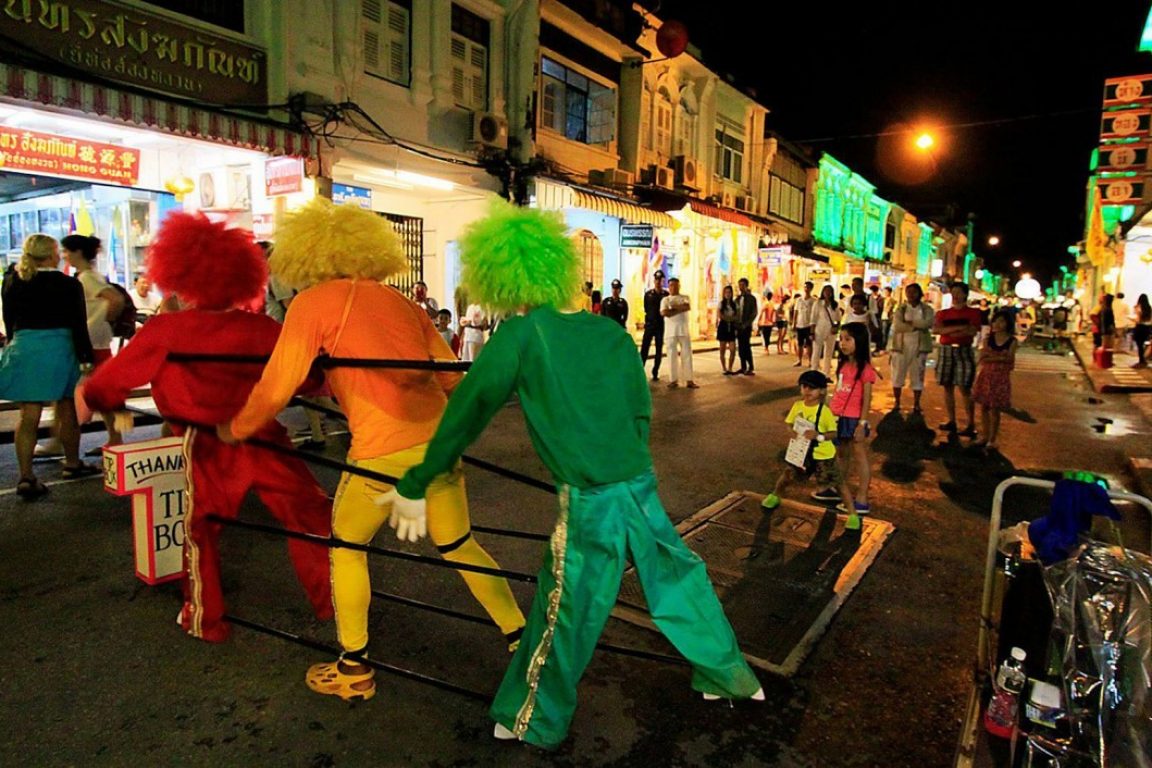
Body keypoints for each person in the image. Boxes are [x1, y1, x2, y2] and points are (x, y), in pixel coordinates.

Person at [391, 201, 763, 750]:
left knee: (565, 608)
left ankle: (531, 718)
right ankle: (729, 676)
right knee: (676, 576)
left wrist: (417, 481)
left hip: (590, 497)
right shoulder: (610, 333)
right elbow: (640, 410)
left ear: (503, 279)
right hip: (638, 482)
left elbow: (465, 414)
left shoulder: (520, 336)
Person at [220, 198, 524, 700]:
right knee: (459, 546)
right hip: (439, 446)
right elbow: (451, 379)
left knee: (346, 548)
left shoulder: (313, 303)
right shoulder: (400, 301)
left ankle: (353, 667)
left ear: (307, 257)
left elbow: (277, 385)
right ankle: (519, 635)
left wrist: (236, 428)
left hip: (381, 452)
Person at [82, 213, 334, 643]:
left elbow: (107, 384)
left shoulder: (165, 330)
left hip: (203, 441)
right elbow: (309, 380)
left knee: (200, 532)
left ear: (179, 277)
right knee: (311, 517)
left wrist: (99, 400)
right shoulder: (262, 329)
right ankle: (335, 606)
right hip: (263, 435)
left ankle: (205, 618)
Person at [0, 234, 98, 497]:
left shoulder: (11, 282)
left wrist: (15, 342)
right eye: (57, 250)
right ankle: (72, 463)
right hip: (59, 348)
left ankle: (26, 476)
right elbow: (78, 325)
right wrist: (86, 357)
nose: (60, 255)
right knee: (66, 408)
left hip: (24, 347)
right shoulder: (68, 284)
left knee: (28, 414)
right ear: (50, 254)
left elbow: (9, 321)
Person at [761, 370, 857, 526]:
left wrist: (818, 436)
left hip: (822, 454)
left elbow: (833, 433)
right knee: (787, 475)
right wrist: (791, 432)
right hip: (801, 452)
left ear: (822, 391)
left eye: (811, 388)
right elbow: (789, 424)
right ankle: (775, 495)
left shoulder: (824, 411)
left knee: (837, 483)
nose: (806, 391)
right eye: (804, 386)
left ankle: (853, 514)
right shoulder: (797, 406)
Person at [61, 234, 124, 453]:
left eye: (67, 251)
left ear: (78, 252)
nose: (64, 255)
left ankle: (60, 439)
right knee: (99, 391)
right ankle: (114, 438)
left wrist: (104, 320)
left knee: (71, 391)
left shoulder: (87, 277)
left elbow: (115, 299)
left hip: (91, 341)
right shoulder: (88, 276)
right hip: (95, 339)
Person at [828, 322, 876, 516]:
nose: (843, 343)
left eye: (848, 339)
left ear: (860, 341)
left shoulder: (865, 369)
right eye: (841, 339)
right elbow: (839, 391)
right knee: (841, 454)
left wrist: (862, 423)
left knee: (859, 455)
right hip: (838, 416)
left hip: (854, 418)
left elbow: (867, 399)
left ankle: (862, 498)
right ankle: (838, 489)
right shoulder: (843, 365)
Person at [933, 281, 982, 438]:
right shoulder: (943, 313)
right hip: (946, 350)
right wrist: (959, 329)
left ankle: (970, 423)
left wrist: (948, 331)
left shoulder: (973, 313)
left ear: (965, 294)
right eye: (953, 292)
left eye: (959, 292)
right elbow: (937, 329)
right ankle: (951, 420)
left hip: (964, 350)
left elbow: (972, 332)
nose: (955, 295)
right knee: (947, 385)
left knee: (964, 387)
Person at [971, 309, 1017, 452]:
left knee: (995, 408)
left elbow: (1009, 359)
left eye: (1001, 321)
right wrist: (999, 357)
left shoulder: (1011, 340)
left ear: (1008, 323)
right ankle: (984, 436)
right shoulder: (988, 339)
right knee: (984, 407)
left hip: (1000, 378)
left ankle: (992, 439)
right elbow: (983, 356)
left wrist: (992, 357)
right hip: (986, 375)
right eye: (996, 321)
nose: (997, 324)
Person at [889, 283, 935, 414]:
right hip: (901, 347)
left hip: (919, 347)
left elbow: (928, 323)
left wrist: (910, 324)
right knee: (897, 375)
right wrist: (917, 326)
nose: (911, 295)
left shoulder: (927, 309)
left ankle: (916, 403)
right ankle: (897, 402)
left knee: (918, 376)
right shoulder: (901, 309)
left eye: (914, 292)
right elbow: (898, 326)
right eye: (908, 292)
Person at [662, 277, 697, 388]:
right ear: (669, 287)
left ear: (679, 286)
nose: (673, 287)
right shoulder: (665, 300)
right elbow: (664, 312)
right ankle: (673, 380)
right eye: (671, 285)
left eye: (675, 285)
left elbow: (687, 306)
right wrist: (679, 309)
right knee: (671, 356)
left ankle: (689, 380)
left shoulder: (685, 297)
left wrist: (672, 308)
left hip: (683, 330)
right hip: (670, 331)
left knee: (687, 355)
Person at [640, 270, 668, 380]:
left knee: (658, 349)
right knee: (644, 348)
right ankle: (641, 370)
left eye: (660, 280)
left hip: (660, 326)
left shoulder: (666, 295)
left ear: (662, 281)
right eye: (656, 280)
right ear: (654, 280)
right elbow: (646, 308)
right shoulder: (648, 294)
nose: (658, 282)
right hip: (650, 325)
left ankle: (655, 371)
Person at [811, 284, 841, 376]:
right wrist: (812, 332)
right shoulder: (818, 303)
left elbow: (838, 318)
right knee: (816, 351)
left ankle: (826, 373)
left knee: (828, 352)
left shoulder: (835, 304)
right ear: (823, 292)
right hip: (819, 329)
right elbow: (813, 318)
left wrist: (836, 327)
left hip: (831, 331)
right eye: (826, 291)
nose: (827, 293)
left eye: (829, 291)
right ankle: (814, 371)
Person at [735, 277, 758, 375]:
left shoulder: (751, 298)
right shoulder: (738, 298)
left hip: (746, 326)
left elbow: (754, 312)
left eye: (742, 285)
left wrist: (747, 323)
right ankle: (743, 366)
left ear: (746, 286)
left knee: (746, 346)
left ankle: (750, 366)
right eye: (739, 285)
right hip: (738, 326)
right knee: (740, 347)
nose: (741, 287)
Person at [792, 282, 816, 368]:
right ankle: (799, 360)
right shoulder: (799, 300)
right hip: (800, 324)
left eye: (808, 287)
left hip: (809, 325)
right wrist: (794, 323)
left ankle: (810, 360)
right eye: (805, 287)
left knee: (809, 344)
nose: (806, 289)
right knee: (800, 343)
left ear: (811, 289)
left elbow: (815, 313)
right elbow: (796, 311)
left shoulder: (814, 301)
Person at [716, 284, 738, 375]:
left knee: (732, 349)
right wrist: (728, 318)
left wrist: (732, 320)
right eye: (726, 292)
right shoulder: (721, 303)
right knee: (722, 349)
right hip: (723, 326)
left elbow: (737, 315)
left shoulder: (734, 304)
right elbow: (719, 315)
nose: (728, 294)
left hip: (732, 326)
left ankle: (730, 367)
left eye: (729, 292)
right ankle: (724, 368)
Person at [1133, 294, 1151, 368]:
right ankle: (1143, 359)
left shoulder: (1138, 307)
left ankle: (1142, 360)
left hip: (1140, 327)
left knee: (1139, 344)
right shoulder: (1149, 308)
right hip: (1147, 328)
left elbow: (1138, 318)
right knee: (1142, 344)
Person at [759, 291, 775, 355]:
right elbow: (773, 312)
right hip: (770, 323)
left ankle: (766, 348)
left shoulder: (766, 304)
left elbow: (761, 312)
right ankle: (766, 348)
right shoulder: (772, 304)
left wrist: (759, 319)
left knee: (765, 336)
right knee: (768, 336)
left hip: (765, 322)